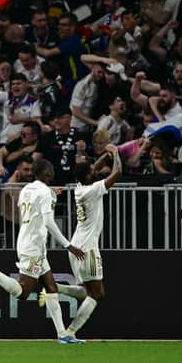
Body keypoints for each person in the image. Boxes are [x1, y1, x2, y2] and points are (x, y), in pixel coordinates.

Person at [0, 159, 86, 344]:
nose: (53, 173)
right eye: (51, 170)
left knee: (50, 287)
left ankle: (62, 334)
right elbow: (49, 222)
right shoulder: (44, 192)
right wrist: (68, 245)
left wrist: (51, 194)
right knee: (22, 292)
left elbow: (32, 209)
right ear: (47, 173)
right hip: (34, 246)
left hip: (28, 241)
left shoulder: (26, 189)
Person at [39, 144, 122, 341]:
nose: (96, 170)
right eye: (93, 171)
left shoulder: (80, 187)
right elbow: (118, 173)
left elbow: (92, 167)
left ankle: (55, 288)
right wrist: (116, 153)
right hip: (88, 248)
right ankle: (70, 332)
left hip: (78, 245)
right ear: (87, 177)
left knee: (87, 292)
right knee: (97, 295)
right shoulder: (91, 191)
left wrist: (105, 155)